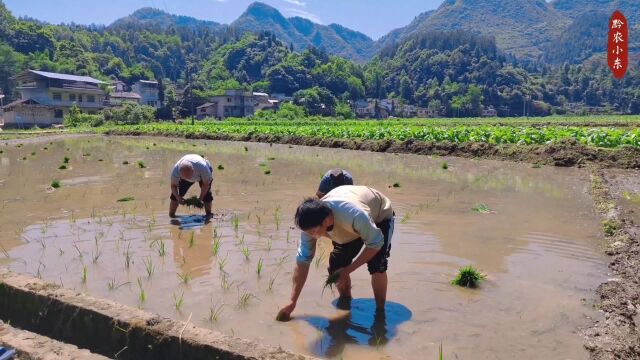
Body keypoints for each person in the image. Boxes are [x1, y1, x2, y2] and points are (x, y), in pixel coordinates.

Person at [278, 185, 395, 320]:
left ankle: (380, 312)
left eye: (313, 231)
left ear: (326, 220)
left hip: (380, 215)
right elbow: (303, 261)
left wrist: (348, 270)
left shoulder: (354, 214)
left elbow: (376, 243)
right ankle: (346, 303)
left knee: (377, 264)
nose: (311, 235)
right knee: (336, 266)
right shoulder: (310, 229)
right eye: (308, 232)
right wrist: (293, 301)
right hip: (352, 225)